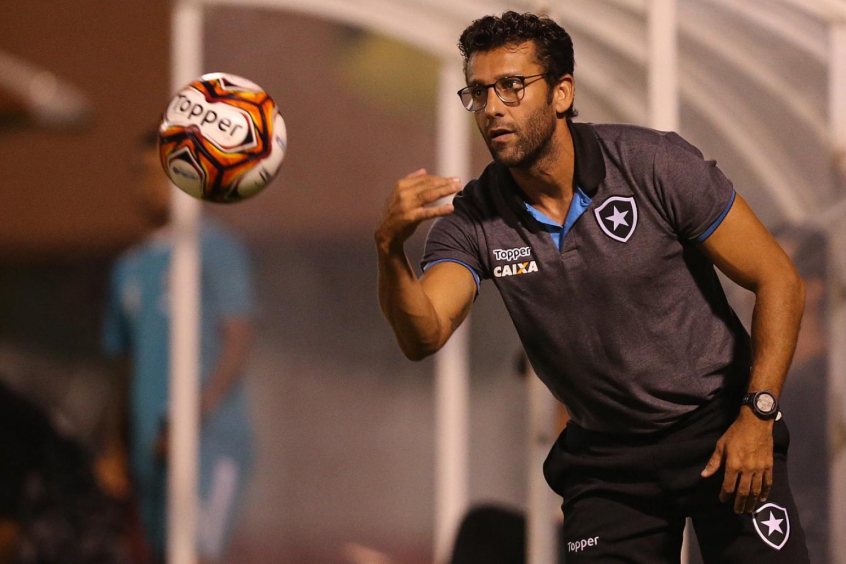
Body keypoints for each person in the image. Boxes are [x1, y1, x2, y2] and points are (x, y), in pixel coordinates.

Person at [375, 11, 810, 563]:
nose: (492, 108)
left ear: (562, 92)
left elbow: (779, 279)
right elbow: (424, 334)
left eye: (511, 86)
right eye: (478, 92)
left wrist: (758, 414)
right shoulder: (473, 220)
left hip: (721, 426)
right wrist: (388, 248)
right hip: (609, 464)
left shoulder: (655, 165)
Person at [101, 133, 255, 564]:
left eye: (161, 173)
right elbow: (125, 362)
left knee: (196, 554)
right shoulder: (128, 267)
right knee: (163, 554)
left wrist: (194, 413)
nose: (150, 185)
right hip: (147, 449)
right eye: (141, 174)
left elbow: (238, 338)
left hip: (210, 441)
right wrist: (115, 444)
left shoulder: (215, 248)